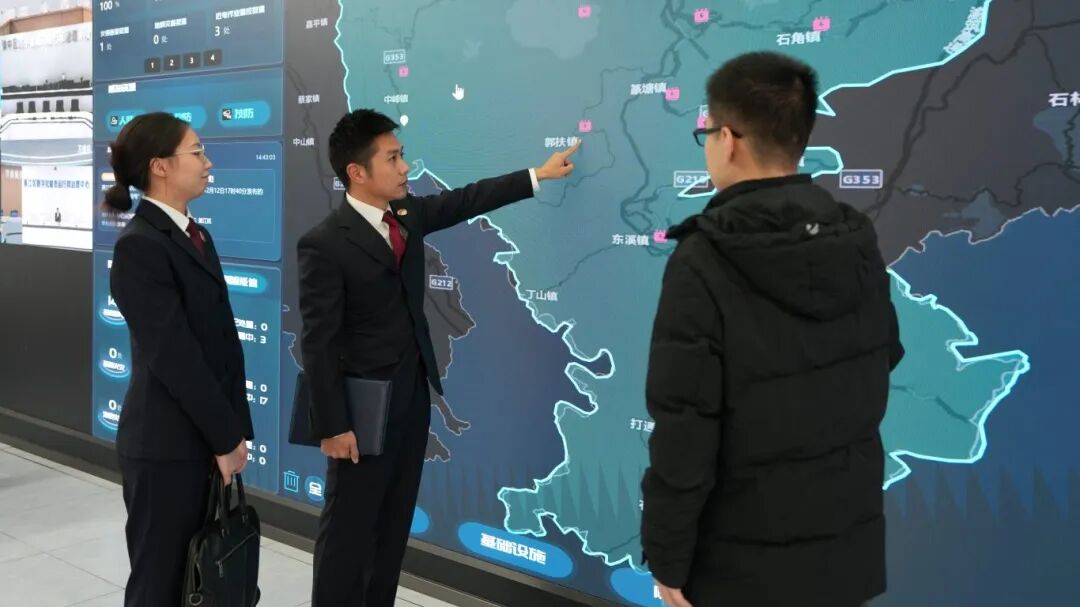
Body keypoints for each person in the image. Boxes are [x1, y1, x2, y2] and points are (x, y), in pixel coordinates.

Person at [640, 52, 904, 607]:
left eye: (707, 133)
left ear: (728, 140)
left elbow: (685, 433)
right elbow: (884, 356)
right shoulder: (855, 238)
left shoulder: (704, 258)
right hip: (842, 552)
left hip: (739, 566)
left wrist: (667, 560)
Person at [299, 108, 580, 606]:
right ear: (357, 172)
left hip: (411, 403)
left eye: (401, 155)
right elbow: (319, 343)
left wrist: (536, 175)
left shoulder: (407, 216)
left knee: (391, 532)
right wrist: (333, 425)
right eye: (393, 158)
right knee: (347, 534)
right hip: (361, 417)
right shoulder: (324, 244)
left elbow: (467, 199)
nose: (405, 167)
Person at [104, 112, 252, 607]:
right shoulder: (140, 247)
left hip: (201, 439)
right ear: (160, 166)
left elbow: (221, 345)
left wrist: (235, 431)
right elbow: (177, 359)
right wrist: (224, 436)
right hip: (165, 447)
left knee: (201, 583)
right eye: (197, 152)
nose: (208, 163)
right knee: (161, 585)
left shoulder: (196, 235)